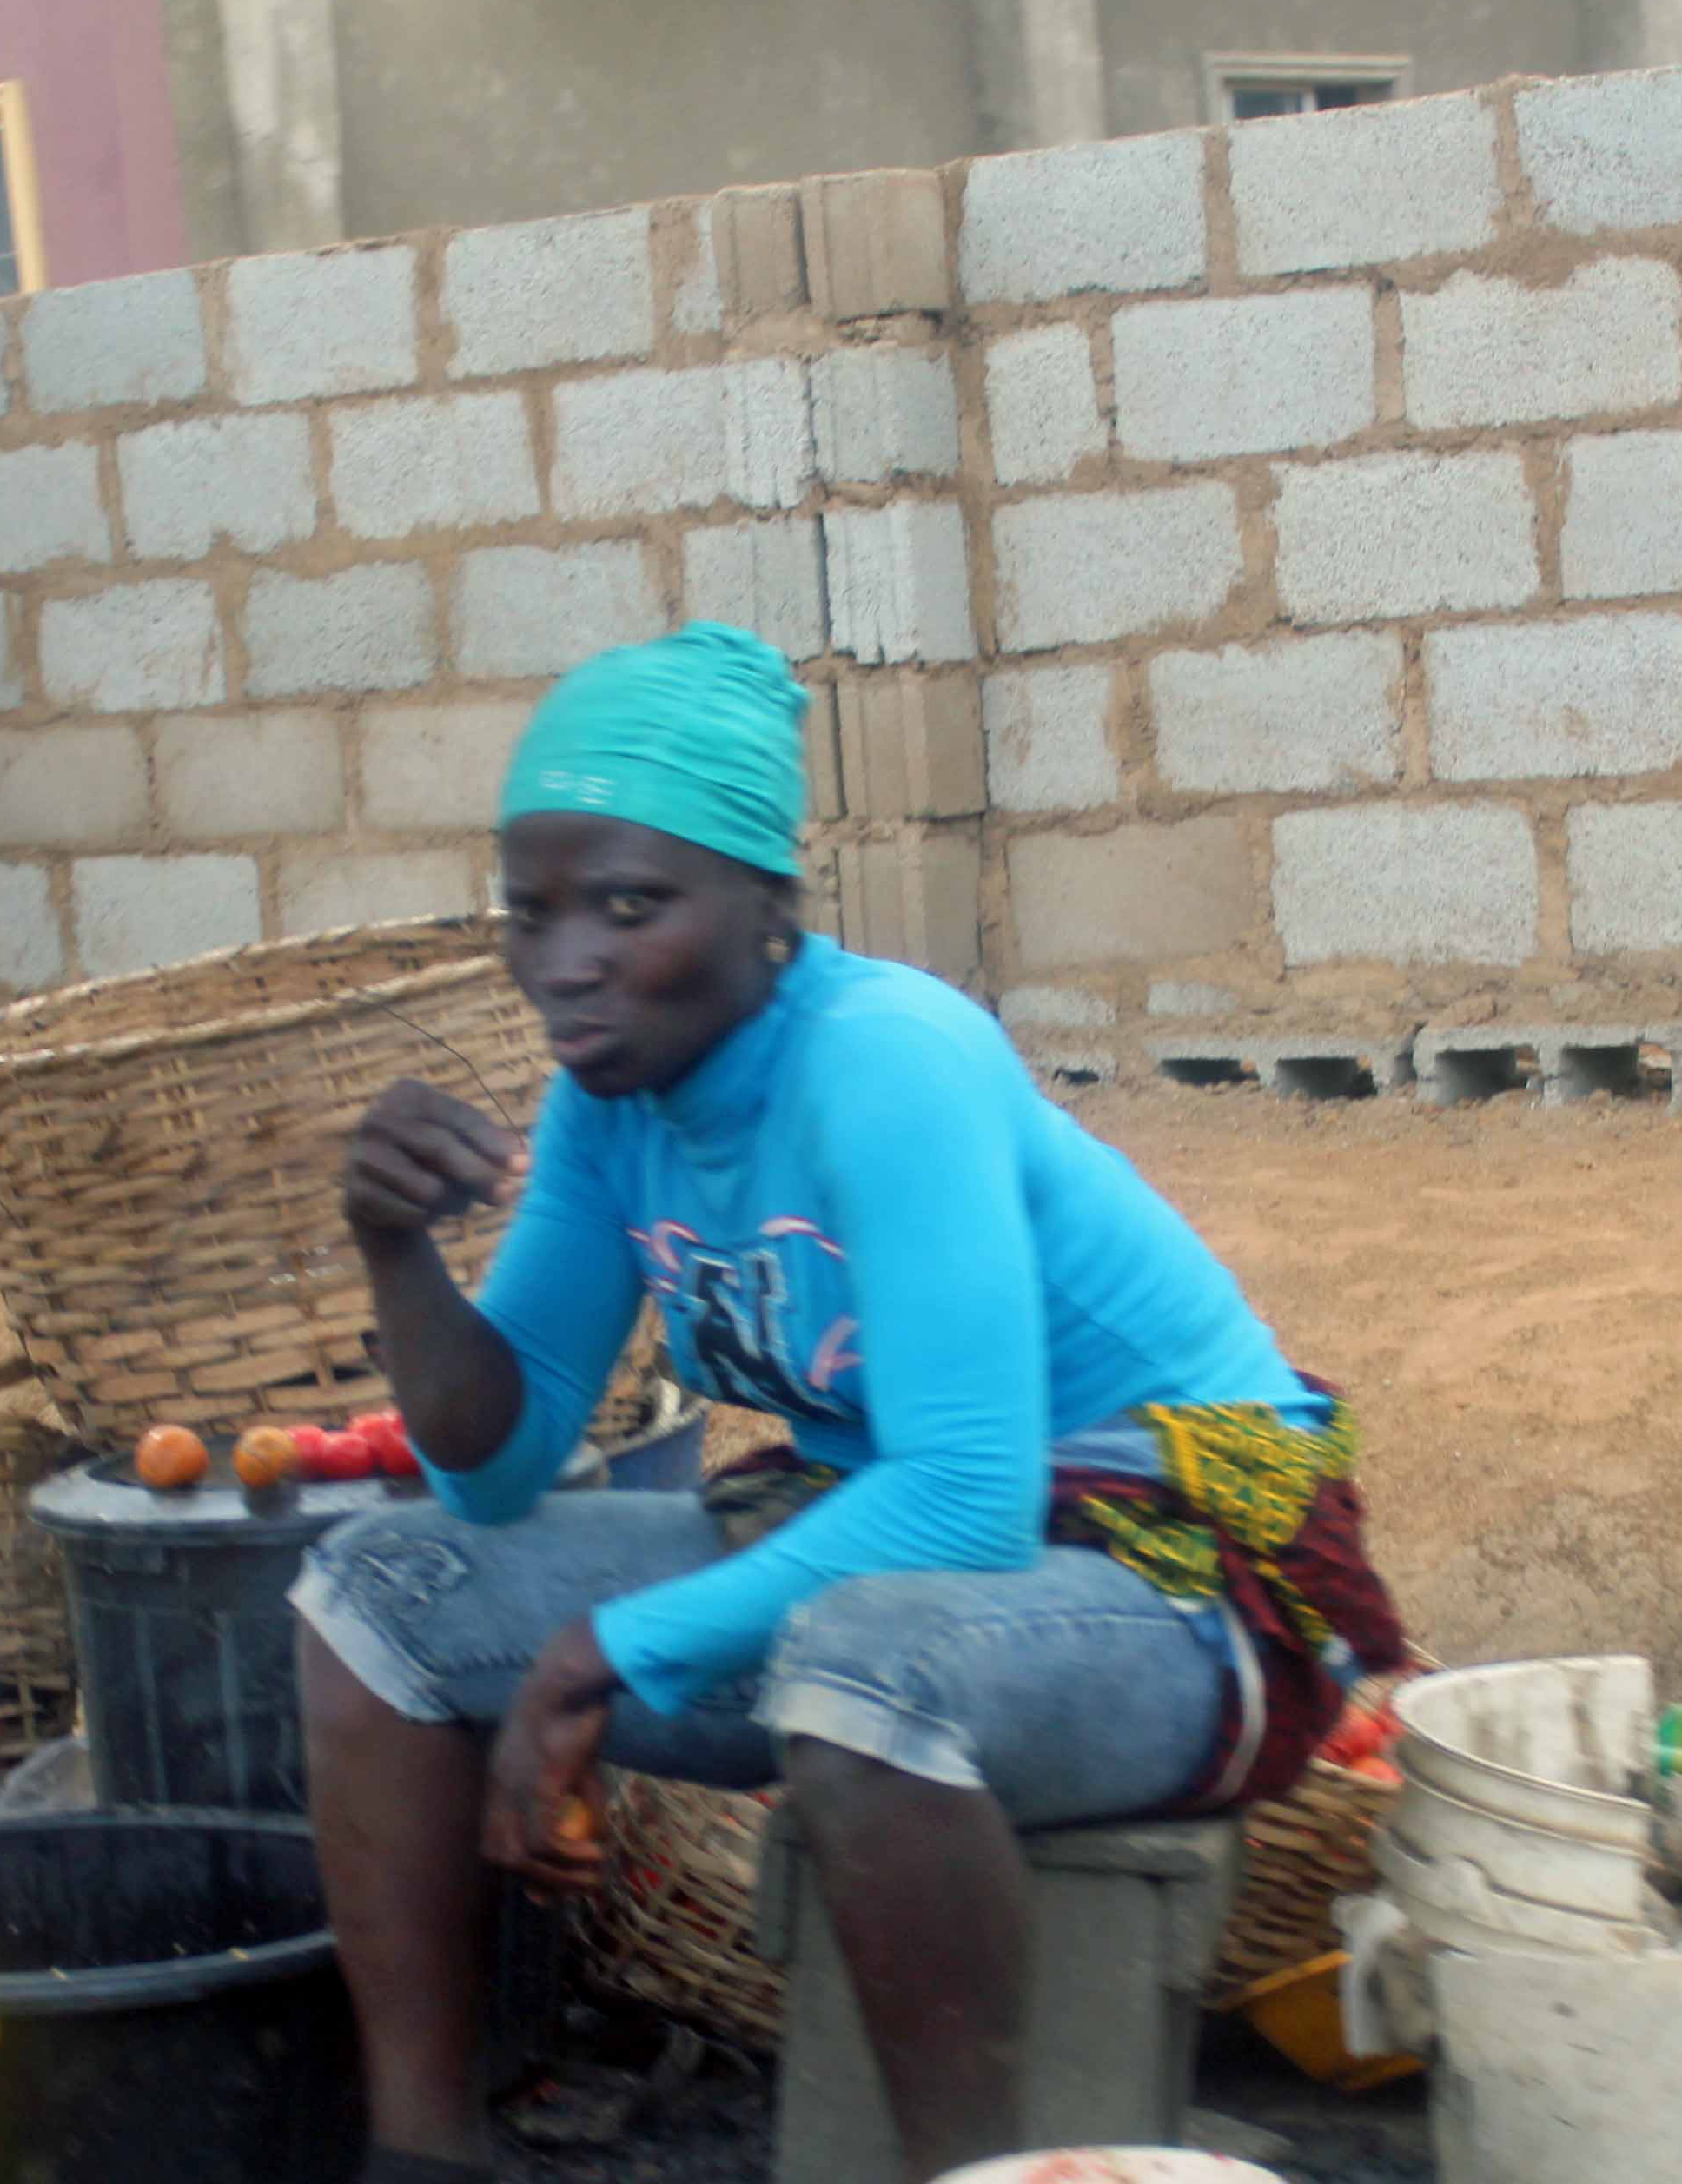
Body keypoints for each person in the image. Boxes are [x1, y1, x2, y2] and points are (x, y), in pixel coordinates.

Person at [294, 623, 1406, 2184]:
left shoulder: (888, 1060)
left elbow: (961, 1485)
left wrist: (607, 1646)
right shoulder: (609, 1098)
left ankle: (977, 2173)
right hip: (901, 1558)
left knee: (866, 1664)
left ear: (767, 913)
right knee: (375, 1592)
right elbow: (492, 1473)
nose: (566, 961)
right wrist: (393, 1248)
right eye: (530, 913)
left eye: (629, 904)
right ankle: (420, 2158)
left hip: (1187, 1568)